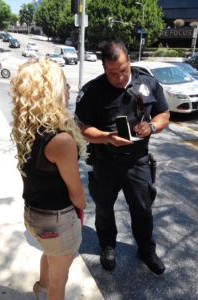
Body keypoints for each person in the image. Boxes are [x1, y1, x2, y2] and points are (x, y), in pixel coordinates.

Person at [75, 40, 170, 275]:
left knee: (142, 209)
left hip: (137, 161)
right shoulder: (93, 91)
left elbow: (164, 114)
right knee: (104, 208)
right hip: (105, 160)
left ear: (129, 60)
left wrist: (152, 127)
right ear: (104, 68)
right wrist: (107, 137)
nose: (118, 77)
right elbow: (83, 129)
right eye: (112, 73)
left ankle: (146, 250)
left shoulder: (148, 82)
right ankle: (107, 245)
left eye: (123, 70)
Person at [10, 58, 86, 300]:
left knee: (49, 253)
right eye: (64, 84)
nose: (69, 90)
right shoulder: (61, 140)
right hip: (57, 220)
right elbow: (76, 192)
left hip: (34, 215)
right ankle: (47, 290)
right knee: (60, 281)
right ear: (51, 92)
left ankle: (40, 288)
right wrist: (82, 206)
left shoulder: (29, 129)